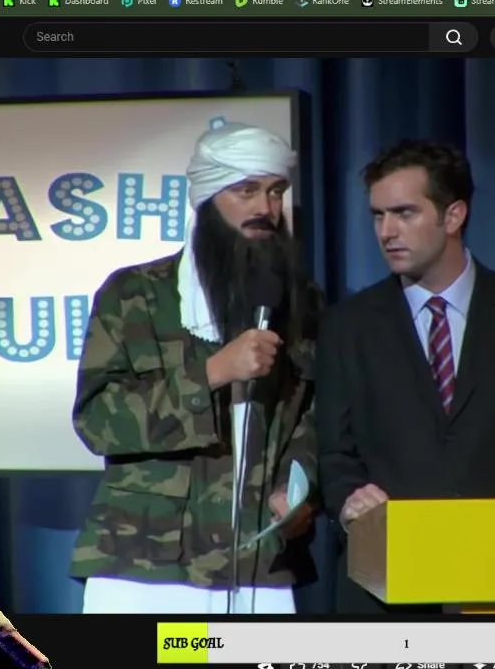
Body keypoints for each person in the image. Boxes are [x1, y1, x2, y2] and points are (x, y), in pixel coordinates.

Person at [316, 139, 495, 614]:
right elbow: (333, 452)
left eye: (404, 213)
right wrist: (348, 497)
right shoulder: (347, 326)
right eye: (377, 216)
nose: (386, 231)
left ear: (453, 216)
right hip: (386, 592)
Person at [71, 122, 322, 614]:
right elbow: (98, 422)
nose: (265, 209)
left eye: (275, 192)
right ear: (208, 199)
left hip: (259, 558)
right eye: (246, 191)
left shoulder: (301, 304)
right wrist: (211, 373)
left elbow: (314, 420)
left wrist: (297, 489)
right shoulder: (136, 295)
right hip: (145, 563)